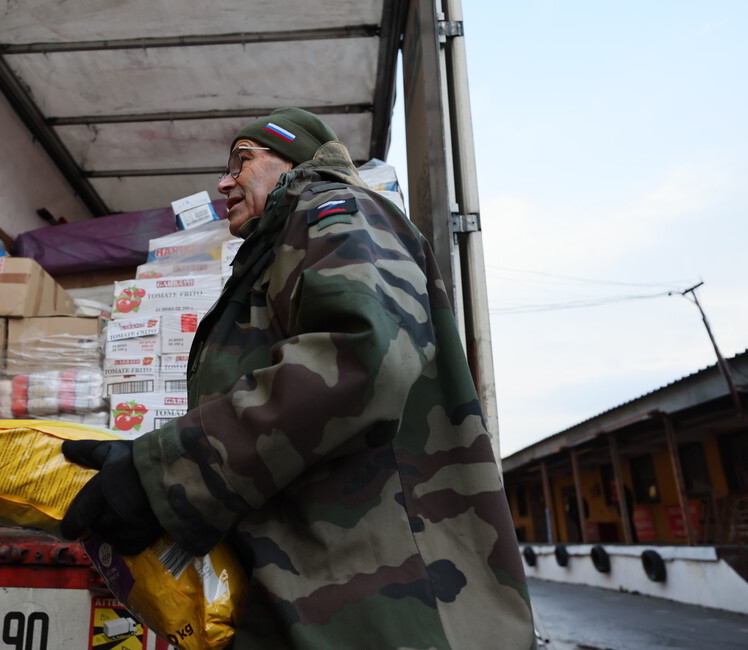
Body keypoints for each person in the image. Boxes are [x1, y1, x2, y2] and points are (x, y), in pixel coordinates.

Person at [62, 108, 537, 649]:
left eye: (241, 160)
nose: (223, 182)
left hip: (388, 617)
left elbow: (360, 355)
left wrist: (169, 472)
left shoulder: (334, 209)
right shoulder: (276, 251)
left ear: (293, 160)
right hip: (327, 603)